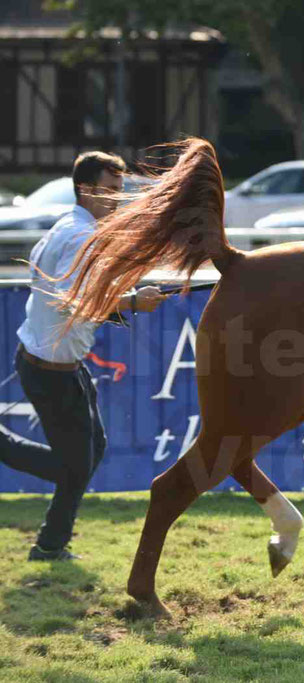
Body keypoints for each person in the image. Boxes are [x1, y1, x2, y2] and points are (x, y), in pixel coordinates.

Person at [0, 151, 166, 561]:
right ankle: (50, 543)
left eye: (119, 191)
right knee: (75, 467)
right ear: (85, 189)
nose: (116, 200)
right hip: (51, 371)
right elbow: (77, 301)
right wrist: (130, 302)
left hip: (56, 365)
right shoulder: (78, 237)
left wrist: (127, 295)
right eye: (110, 191)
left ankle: (52, 543)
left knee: (92, 451)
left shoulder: (72, 228)